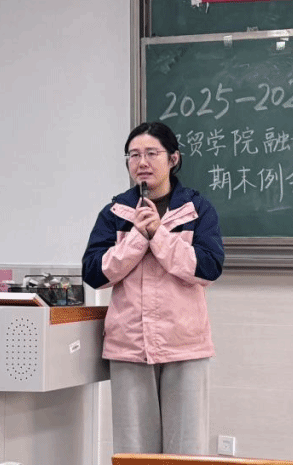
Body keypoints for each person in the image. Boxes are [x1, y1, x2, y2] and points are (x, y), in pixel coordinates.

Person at [82, 121, 224, 455]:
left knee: (186, 450)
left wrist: (159, 235)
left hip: (184, 345)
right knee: (134, 451)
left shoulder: (197, 210)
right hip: (129, 345)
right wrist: (136, 238)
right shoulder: (115, 213)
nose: (142, 162)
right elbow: (94, 273)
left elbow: (207, 268)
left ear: (173, 159)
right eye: (134, 155)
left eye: (151, 153)